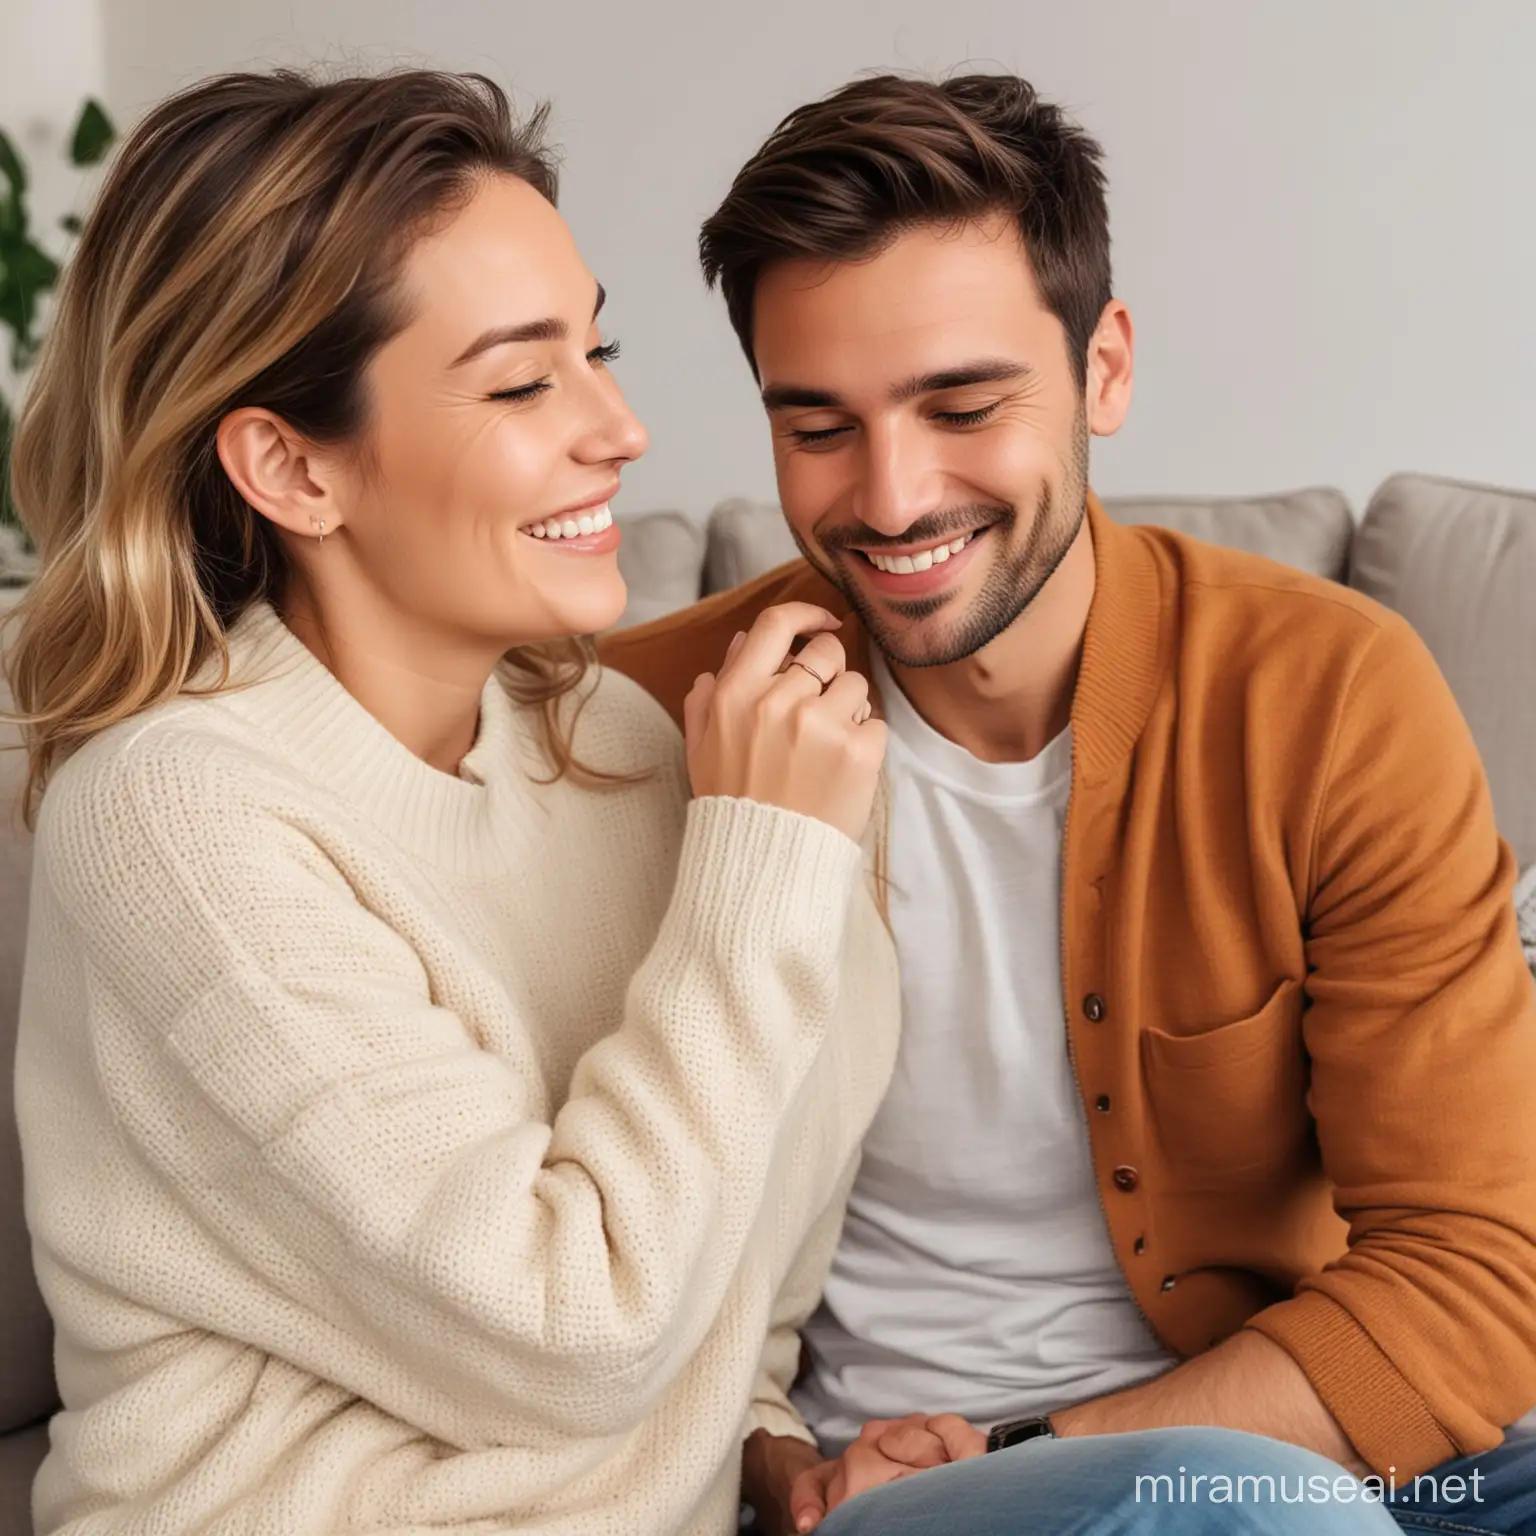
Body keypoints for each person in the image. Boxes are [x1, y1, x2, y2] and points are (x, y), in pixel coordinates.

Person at [598, 72, 1536, 1535]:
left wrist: (1045, 1442)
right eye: (818, 425)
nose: (893, 499)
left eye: (963, 405)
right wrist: (782, 1473)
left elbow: (1475, 1277)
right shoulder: (644, 723)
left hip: (1271, 1432)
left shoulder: (1329, 692)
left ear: (1105, 367)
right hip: (882, 1488)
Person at [5, 69, 901, 1535]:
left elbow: (714, 1252)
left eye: (595, 347)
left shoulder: (623, 743)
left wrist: (760, 1437)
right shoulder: (176, 820)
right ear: (292, 465)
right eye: (524, 379)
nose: (620, 428)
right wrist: (767, 863)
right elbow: (575, 1336)